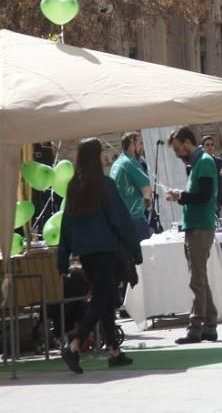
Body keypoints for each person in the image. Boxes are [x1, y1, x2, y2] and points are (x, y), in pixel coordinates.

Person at [58, 138, 142, 374]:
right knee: (99, 301)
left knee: (104, 300)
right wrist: (134, 250)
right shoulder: (105, 186)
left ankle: (114, 351)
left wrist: (63, 255)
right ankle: (74, 343)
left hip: (86, 255)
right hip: (106, 251)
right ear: (96, 157)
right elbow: (121, 220)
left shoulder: (74, 188)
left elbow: (67, 224)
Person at [166, 126, 220, 345]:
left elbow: (204, 196)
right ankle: (210, 324)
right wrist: (182, 196)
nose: (178, 153)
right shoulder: (198, 163)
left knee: (196, 280)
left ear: (188, 142)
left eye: (179, 148)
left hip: (200, 228)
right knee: (200, 278)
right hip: (196, 227)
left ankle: (196, 326)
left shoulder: (204, 162)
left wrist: (181, 196)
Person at [109, 131, 152, 241]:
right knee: (144, 255)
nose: (141, 147)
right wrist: (148, 205)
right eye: (140, 143)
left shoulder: (116, 163)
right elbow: (146, 190)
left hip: (119, 219)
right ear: (132, 145)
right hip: (135, 219)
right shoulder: (131, 163)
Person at [202, 134, 222, 219]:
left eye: (212, 144)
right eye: (207, 145)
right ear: (203, 148)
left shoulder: (220, 163)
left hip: (220, 202)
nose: (210, 147)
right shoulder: (200, 164)